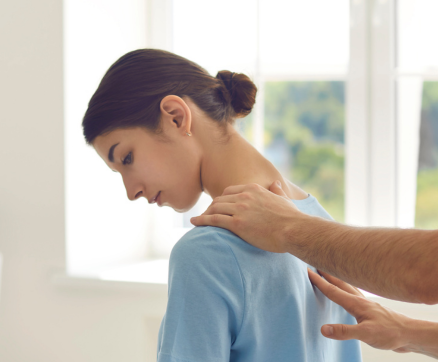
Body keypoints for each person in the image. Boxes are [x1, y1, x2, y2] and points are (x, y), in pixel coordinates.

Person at [190, 0, 438, 360]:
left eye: (127, 157)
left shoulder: (203, 254)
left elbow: (430, 271)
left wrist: (289, 228)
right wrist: (408, 333)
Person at [82, 49, 362, 362]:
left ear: (176, 116)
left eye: (127, 158)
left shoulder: (206, 253)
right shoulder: (318, 219)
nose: (130, 191)